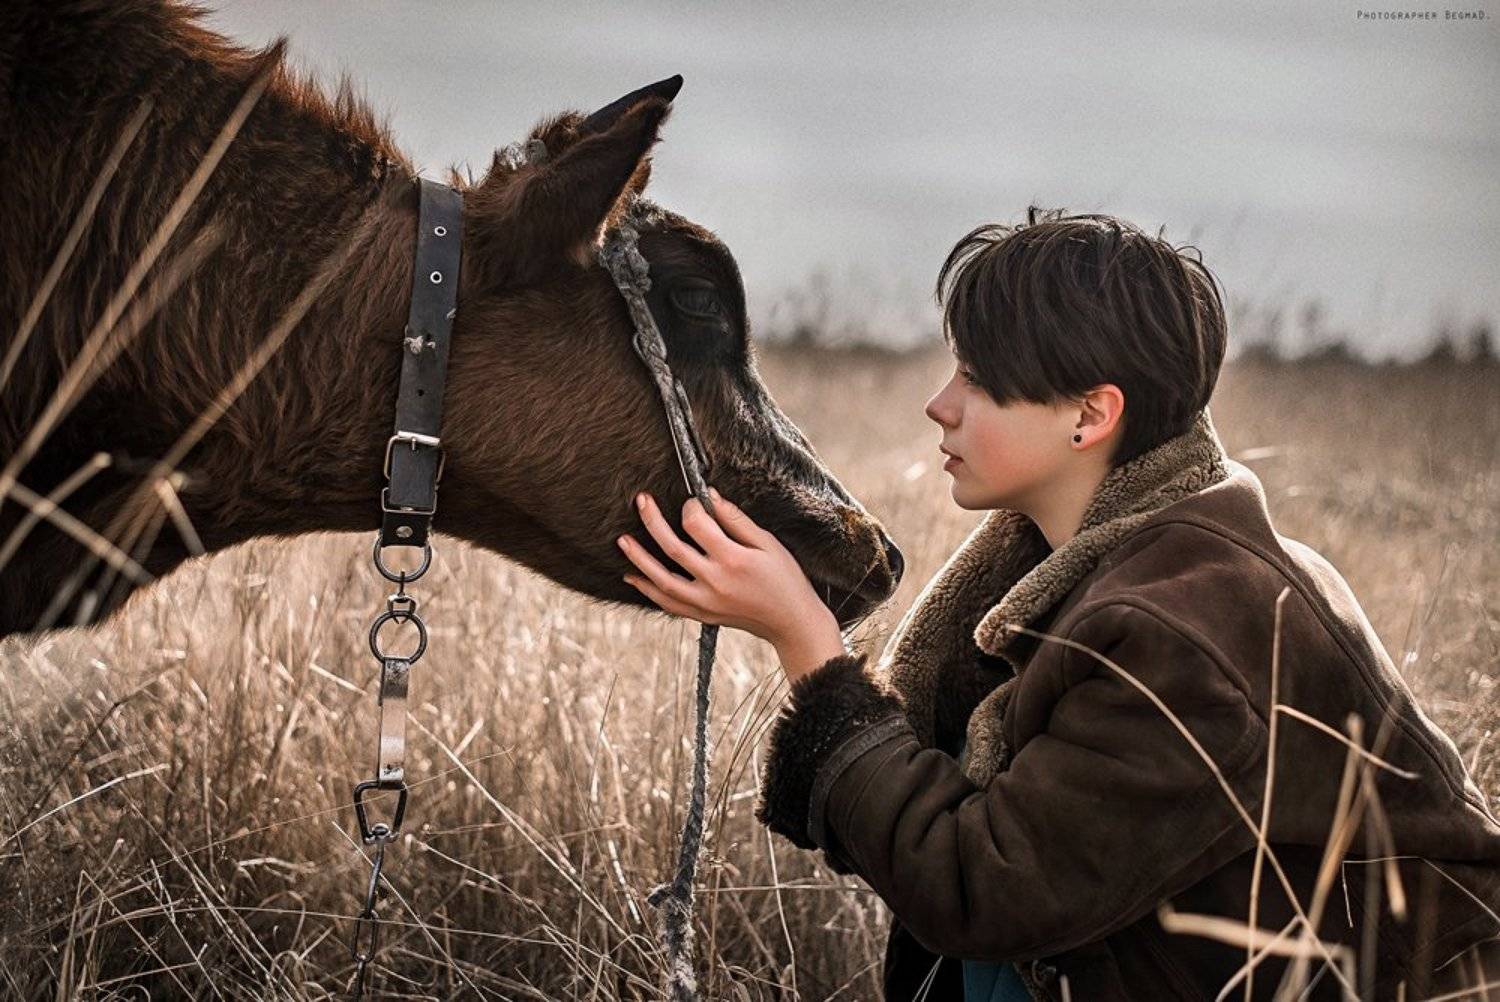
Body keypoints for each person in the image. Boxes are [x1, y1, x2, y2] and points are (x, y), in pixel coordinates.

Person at [615, 207, 1500, 1000]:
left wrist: (805, 641)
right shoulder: (1102, 565)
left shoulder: (1180, 631)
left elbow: (984, 892)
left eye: (979, 379)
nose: (939, 406)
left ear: (1090, 416)